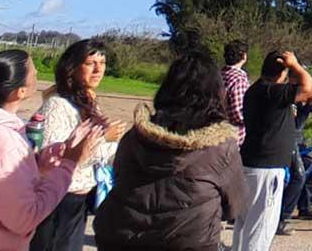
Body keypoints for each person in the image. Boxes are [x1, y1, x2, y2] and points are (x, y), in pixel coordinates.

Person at [0, 50, 102, 251]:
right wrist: (68, 164)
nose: (38, 71)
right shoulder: (2, 140)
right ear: (20, 92)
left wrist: (37, 165)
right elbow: (24, 218)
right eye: (33, 71)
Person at [95, 52, 249, 250]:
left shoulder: (136, 135)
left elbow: (118, 177)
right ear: (216, 93)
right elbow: (234, 206)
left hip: (121, 235)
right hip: (188, 243)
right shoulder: (222, 146)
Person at [31, 39, 128, 251]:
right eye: (90, 63)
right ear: (72, 68)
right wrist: (105, 138)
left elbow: (100, 152)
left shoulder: (88, 102)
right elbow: (53, 153)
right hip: (57, 196)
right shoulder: (57, 105)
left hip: (80, 195)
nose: (98, 69)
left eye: (102, 63)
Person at [231, 50, 312, 250]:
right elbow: (309, 88)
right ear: (282, 72)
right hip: (266, 171)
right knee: (260, 228)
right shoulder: (272, 92)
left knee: (244, 224)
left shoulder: (255, 90)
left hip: (250, 164)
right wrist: (295, 64)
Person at [278, 89, 312, 234]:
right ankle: (283, 217)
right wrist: (311, 104)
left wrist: (311, 104)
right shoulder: (289, 98)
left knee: (311, 167)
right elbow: (297, 123)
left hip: (298, 140)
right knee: (298, 176)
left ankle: (305, 207)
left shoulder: (298, 99)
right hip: (289, 141)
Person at [222, 40, 250, 147]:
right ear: (244, 56)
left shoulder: (219, 75)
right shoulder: (239, 80)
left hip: (218, 133)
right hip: (234, 138)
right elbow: (239, 114)